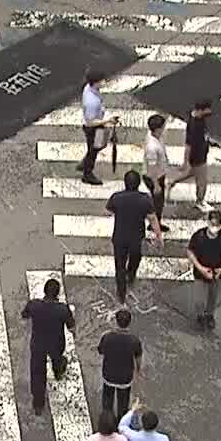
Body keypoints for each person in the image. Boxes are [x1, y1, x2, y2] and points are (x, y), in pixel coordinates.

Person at [21, 278, 77, 415]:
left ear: (44, 291)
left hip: (38, 344)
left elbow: (24, 315)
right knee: (57, 359)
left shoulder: (34, 305)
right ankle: (58, 372)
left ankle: (38, 404)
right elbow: (72, 327)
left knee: (37, 373)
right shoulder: (63, 309)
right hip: (56, 343)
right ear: (58, 293)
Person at [106, 170, 152, 304]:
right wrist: (159, 235)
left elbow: (110, 209)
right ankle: (131, 275)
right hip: (136, 238)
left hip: (119, 237)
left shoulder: (117, 197)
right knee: (136, 258)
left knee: (119, 266)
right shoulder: (144, 199)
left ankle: (121, 293)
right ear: (138, 184)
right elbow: (152, 218)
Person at [186, 209, 221, 330]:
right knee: (199, 300)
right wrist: (201, 268)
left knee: (213, 297)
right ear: (208, 222)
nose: (214, 228)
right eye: (212, 224)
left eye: (217, 225)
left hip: (217, 274)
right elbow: (190, 252)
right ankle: (200, 316)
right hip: (200, 274)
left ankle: (209, 315)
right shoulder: (199, 236)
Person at [97, 308, 142, 424]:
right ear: (129, 322)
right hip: (125, 378)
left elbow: (100, 351)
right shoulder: (134, 340)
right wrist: (138, 370)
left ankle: (107, 422)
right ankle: (121, 424)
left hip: (109, 375)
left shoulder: (107, 337)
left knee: (107, 401)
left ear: (116, 321)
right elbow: (138, 358)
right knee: (123, 403)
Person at [77, 68, 114, 186]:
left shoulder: (89, 88)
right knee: (95, 149)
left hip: (96, 125)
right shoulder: (92, 102)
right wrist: (107, 121)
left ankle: (84, 163)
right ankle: (87, 173)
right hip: (94, 129)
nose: (104, 81)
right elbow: (90, 122)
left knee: (97, 147)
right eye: (102, 80)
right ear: (95, 82)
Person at [179, 98, 212, 210]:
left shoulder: (198, 117)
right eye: (208, 109)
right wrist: (185, 161)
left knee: (191, 173)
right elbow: (188, 145)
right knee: (202, 181)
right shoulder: (194, 125)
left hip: (200, 155)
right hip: (198, 158)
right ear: (201, 110)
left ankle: (172, 182)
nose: (210, 112)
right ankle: (200, 201)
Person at [142, 113, 169, 240]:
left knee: (158, 201)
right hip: (154, 177)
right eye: (163, 126)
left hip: (159, 174)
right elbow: (151, 168)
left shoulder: (153, 134)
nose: (165, 128)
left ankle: (156, 222)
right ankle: (154, 224)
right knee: (158, 202)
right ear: (158, 129)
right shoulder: (152, 147)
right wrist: (156, 184)